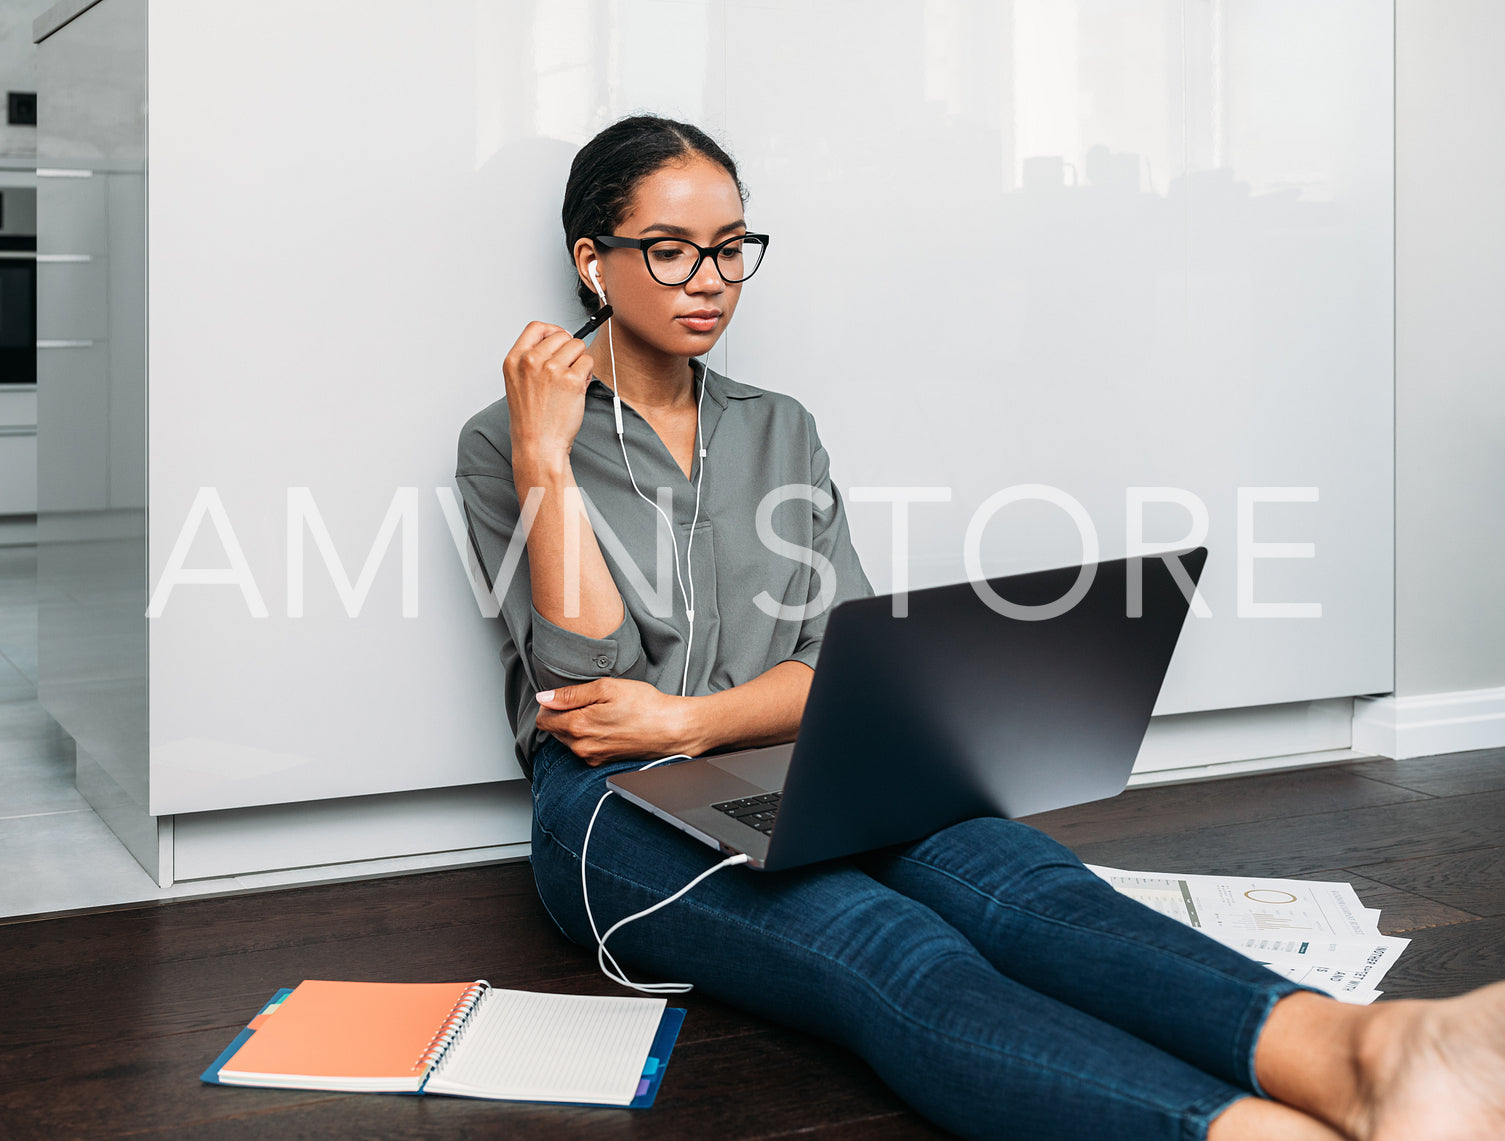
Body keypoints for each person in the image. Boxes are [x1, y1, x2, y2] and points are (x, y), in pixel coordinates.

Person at [455, 113, 1505, 1141]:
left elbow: (832, 668)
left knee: (1034, 890)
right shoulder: (504, 439)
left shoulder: (778, 427)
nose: (712, 281)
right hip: (609, 807)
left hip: (797, 759)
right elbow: (587, 696)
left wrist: (688, 720)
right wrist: (545, 459)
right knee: (891, 947)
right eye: (672, 251)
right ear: (593, 261)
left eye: (731, 250)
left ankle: (1371, 1060)